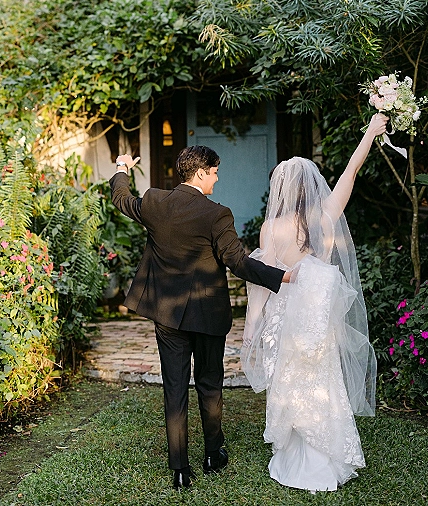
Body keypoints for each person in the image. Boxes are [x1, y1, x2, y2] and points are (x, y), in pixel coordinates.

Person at [110, 145, 292, 490]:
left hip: (166, 315)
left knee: (174, 389)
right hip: (207, 316)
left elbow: (122, 198)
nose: (217, 178)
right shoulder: (217, 214)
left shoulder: (154, 202)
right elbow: (237, 262)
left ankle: (179, 470)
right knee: (209, 385)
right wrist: (281, 276)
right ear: (201, 173)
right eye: (215, 171)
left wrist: (122, 167)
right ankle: (212, 454)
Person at [241, 112, 388, 492]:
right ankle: (326, 457)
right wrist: (371, 131)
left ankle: (297, 455)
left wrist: (252, 328)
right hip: (319, 317)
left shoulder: (271, 228)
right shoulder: (327, 215)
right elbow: (351, 171)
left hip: (287, 314)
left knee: (290, 381)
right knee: (324, 379)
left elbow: (263, 283)